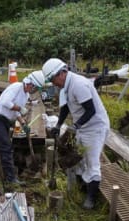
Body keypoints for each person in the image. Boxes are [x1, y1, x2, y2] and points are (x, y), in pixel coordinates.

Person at [42, 58, 110, 209]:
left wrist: (75, 126)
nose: (53, 84)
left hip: (95, 127)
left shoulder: (79, 84)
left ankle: (91, 199)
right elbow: (66, 107)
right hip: (83, 127)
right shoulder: (66, 85)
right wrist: (58, 125)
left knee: (92, 162)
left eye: (53, 80)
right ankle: (82, 188)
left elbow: (90, 110)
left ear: (61, 73)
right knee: (78, 158)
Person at [0, 70, 45, 185]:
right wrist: (19, 108)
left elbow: (16, 113)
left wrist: (23, 124)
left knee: (5, 147)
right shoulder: (16, 87)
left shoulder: (26, 95)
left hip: (5, 121)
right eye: (34, 88)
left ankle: (7, 173)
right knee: (6, 147)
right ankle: (10, 179)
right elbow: (6, 102)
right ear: (30, 83)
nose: (33, 90)